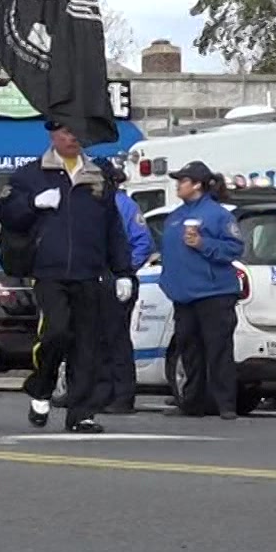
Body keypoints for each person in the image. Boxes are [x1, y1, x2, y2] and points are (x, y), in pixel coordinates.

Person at [0, 120, 135, 433]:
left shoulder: (97, 176)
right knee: (56, 333)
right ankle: (42, 385)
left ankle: (81, 413)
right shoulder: (31, 174)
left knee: (88, 346)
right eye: (65, 132)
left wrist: (123, 271)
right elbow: (6, 214)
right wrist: (32, 203)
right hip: (49, 270)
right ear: (52, 135)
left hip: (90, 272)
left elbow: (112, 229)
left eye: (76, 132)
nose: (72, 138)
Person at [155, 159, 244, 419]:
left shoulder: (218, 215)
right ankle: (192, 402)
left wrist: (204, 244)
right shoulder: (175, 217)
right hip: (184, 297)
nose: (177, 186)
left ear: (197, 185)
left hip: (214, 294)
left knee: (218, 350)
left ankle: (225, 404)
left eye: (182, 181)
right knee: (189, 350)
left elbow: (235, 248)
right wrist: (167, 282)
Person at [91, 158, 154, 414]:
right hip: (96, 280)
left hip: (118, 282)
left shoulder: (123, 205)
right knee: (98, 340)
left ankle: (122, 395)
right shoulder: (92, 204)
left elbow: (142, 243)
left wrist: (124, 272)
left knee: (116, 340)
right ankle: (103, 392)